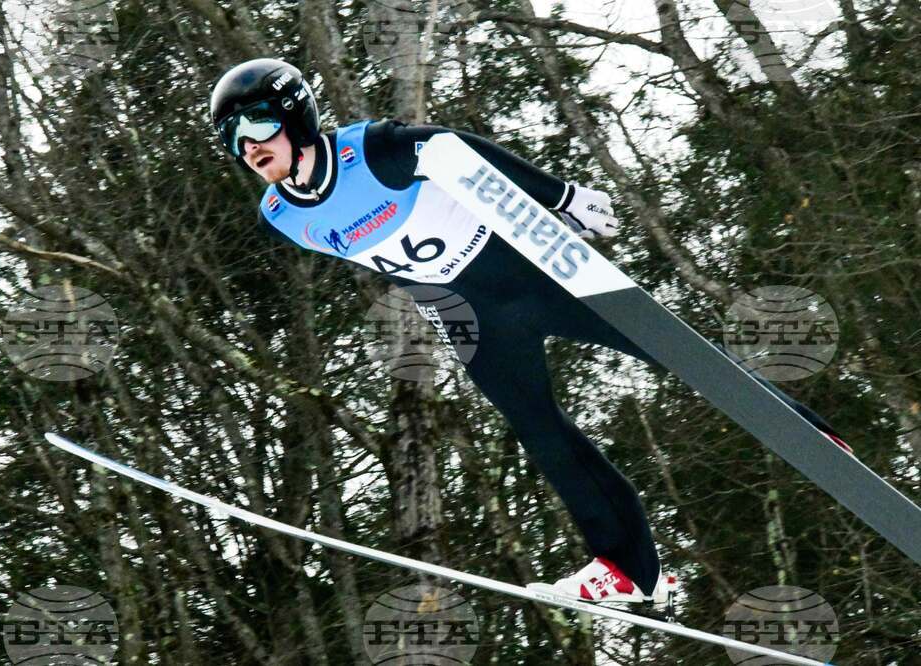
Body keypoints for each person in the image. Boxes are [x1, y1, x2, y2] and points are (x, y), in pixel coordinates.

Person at [209, 58, 853, 606]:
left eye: (258, 125)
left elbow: (454, 150)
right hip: (470, 315)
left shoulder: (370, 150)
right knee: (540, 432)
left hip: (528, 272)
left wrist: (561, 198)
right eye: (233, 140)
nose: (249, 146)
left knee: (673, 354)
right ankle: (629, 569)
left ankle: (810, 432)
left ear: (296, 116)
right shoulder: (278, 214)